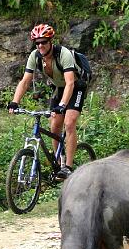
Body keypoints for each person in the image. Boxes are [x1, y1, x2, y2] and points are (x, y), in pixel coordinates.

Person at [7, 23, 87, 179]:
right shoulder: (35, 56)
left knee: (69, 123)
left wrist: (63, 105)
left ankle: (68, 167)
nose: (40, 45)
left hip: (76, 86)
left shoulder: (63, 54)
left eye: (43, 41)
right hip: (59, 89)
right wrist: (14, 102)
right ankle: (58, 162)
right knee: (54, 126)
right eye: (37, 43)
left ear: (50, 41)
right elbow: (25, 81)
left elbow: (70, 82)